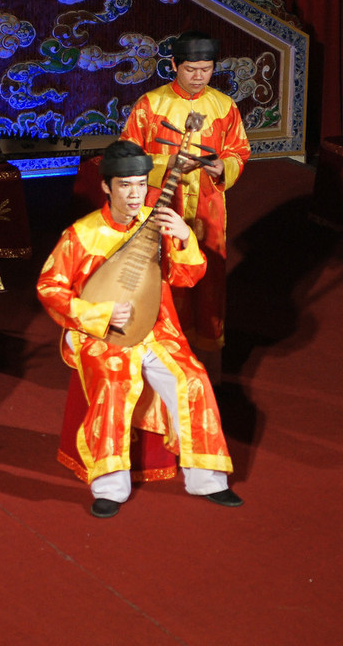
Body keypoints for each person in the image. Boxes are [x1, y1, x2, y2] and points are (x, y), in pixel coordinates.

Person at [37, 139, 242, 518]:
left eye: (140, 184)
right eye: (125, 185)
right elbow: (49, 288)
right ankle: (110, 486)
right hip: (100, 333)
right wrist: (97, 313)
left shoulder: (159, 222)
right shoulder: (81, 235)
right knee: (113, 382)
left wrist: (183, 237)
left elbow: (187, 277)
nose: (134, 194)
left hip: (156, 324)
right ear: (106, 187)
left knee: (194, 378)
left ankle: (207, 478)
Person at [120, 30, 250, 357]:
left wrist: (225, 168)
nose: (198, 76)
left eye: (205, 69)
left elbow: (238, 150)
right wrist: (167, 163)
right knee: (161, 268)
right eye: (191, 69)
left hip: (207, 203)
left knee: (208, 270)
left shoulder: (223, 105)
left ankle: (204, 347)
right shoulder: (150, 105)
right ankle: (159, 344)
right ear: (175, 65)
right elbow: (125, 156)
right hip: (160, 202)